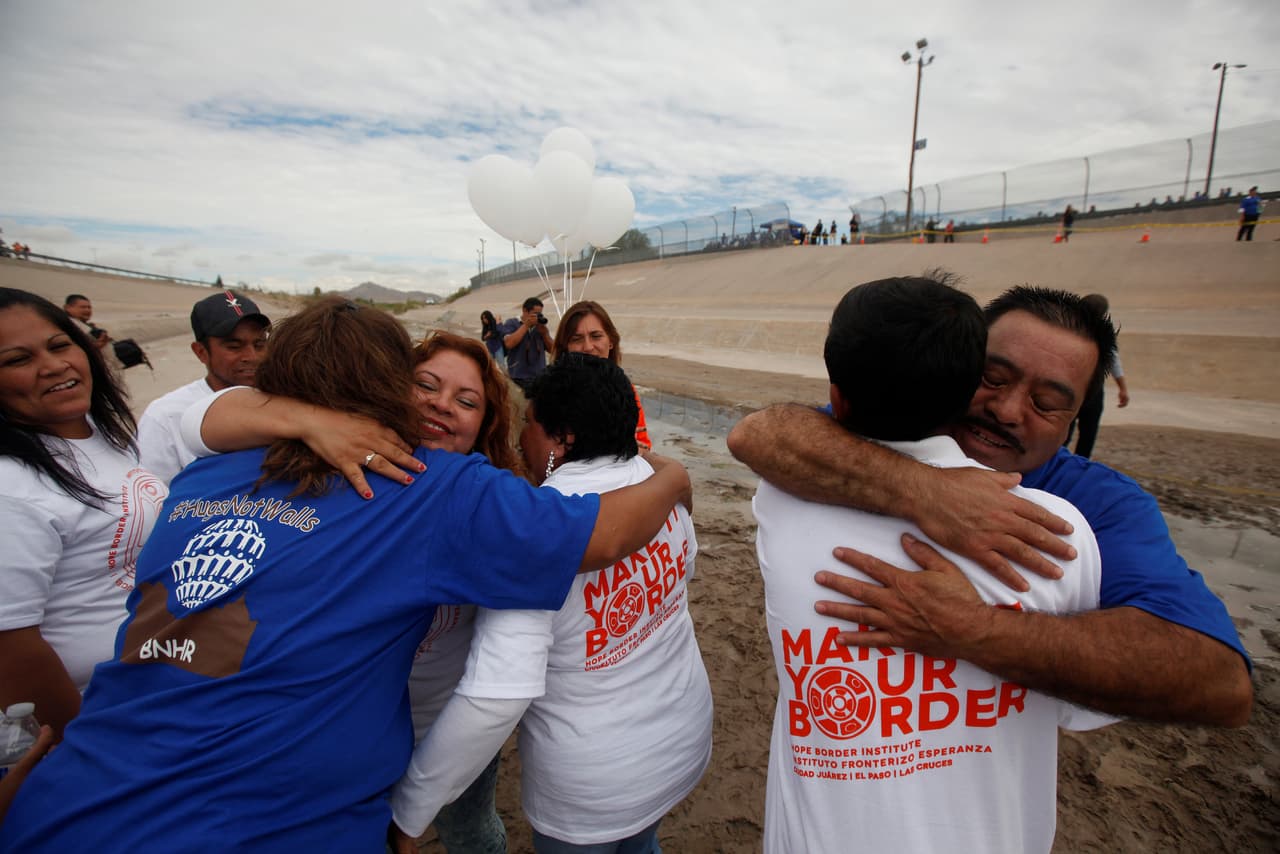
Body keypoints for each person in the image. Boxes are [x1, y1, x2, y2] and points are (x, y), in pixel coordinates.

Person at [1, 298, 693, 851]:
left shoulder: (199, 477)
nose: (436, 406)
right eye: (421, 385)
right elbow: (603, 534)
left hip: (68, 804)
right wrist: (672, 475)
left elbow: (204, 419)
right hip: (274, 824)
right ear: (394, 385)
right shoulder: (430, 488)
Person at [727, 286, 1252, 727]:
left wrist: (974, 629)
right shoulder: (887, 439)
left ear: (1073, 422)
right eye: (992, 379)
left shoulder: (1101, 504)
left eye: (1046, 403)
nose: (1005, 410)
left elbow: (1220, 683)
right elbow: (762, 434)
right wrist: (924, 490)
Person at [755, 276, 1107, 853]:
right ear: (969, 390)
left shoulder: (781, 499)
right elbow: (1079, 710)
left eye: (1046, 402)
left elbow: (770, 433)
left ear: (837, 398)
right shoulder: (1060, 532)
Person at [391, 353, 711, 854]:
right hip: (681, 738)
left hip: (593, 784)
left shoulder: (537, 534)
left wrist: (409, 813)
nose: (520, 438)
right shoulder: (658, 495)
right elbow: (680, 578)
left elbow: (496, 697)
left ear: (562, 438)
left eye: (530, 424)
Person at [0, 289, 167, 740]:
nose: (54, 366)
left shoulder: (100, 433)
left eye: (59, 345)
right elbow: (12, 649)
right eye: (17, 360)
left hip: (147, 687)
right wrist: (88, 745)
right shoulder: (10, 487)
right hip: (89, 715)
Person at [136, 289, 271, 484]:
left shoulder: (285, 399)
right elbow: (153, 497)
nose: (252, 357)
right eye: (234, 347)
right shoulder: (166, 416)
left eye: (259, 344)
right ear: (201, 352)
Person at [552, 300, 651, 450]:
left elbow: (642, 446)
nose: (588, 347)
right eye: (576, 339)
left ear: (611, 341)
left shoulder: (625, 391)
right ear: (566, 347)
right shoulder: (552, 394)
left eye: (596, 336)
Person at [1064, 294, 1130, 458]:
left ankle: (1056, 461)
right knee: (1088, 431)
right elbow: (1114, 362)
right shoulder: (1102, 334)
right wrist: (1123, 389)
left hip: (1069, 388)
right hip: (1092, 390)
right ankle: (1077, 465)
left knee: (1065, 427)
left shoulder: (1067, 328)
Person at [500, 296, 553, 395]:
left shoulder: (540, 327)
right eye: (535, 314)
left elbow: (553, 350)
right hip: (519, 377)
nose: (538, 317)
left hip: (539, 377)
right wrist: (526, 325)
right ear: (525, 311)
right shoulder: (512, 323)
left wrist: (545, 334)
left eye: (540, 314)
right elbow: (508, 343)